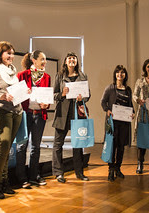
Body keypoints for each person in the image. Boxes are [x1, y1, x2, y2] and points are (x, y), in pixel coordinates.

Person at [0, 41, 23, 199]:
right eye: (7, 53)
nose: (11, 56)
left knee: (8, 147)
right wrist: (0, 96)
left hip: (17, 111)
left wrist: (24, 92)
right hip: (1, 110)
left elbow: (16, 91)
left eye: (12, 53)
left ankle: (5, 181)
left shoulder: (13, 70)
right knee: (3, 145)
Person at [52, 52, 90, 183]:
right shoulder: (59, 76)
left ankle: (79, 173)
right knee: (58, 144)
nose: (72, 60)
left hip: (77, 113)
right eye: (69, 58)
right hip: (62, 113)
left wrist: (82, 98)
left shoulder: (82, 75)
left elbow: (88, 95)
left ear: (77, 61)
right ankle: (58, 173)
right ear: (65, 61)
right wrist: (62, 94)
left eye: (74, 58)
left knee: (78, 144)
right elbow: (54, 95)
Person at [16, 50, 50, 187]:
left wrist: (46, 104)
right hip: (25, 114)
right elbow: (16, 97)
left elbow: (47, 97)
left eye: (45, 59)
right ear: (33, 60)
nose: (45, 62)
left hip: (39, 115)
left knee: (36, 147)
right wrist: (24, 93)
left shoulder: (47, 77)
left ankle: (34, 175)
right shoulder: (22, 75)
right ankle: (21, 177)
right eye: (42, 59)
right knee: (22, 146)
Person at [101, 65, 134, 182]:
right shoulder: (110, 88)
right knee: (112, 146)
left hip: (124, 122)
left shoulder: (128, 89)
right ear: (115, 75)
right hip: (112, 123)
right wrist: (107, 110)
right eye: (118, 73)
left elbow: (130, 105)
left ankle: (118, 169)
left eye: (122, 73)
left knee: (121, 147)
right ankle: (111, 170)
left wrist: (133, 113)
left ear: (125, 75)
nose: (120, 75)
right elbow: (103, 102)